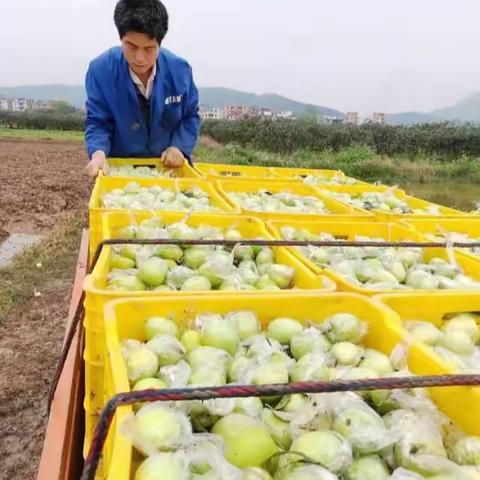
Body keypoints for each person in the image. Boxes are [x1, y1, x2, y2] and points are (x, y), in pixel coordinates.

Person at [85, 0, 200, 177]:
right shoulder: (101, 71)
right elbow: (98, 121)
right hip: (123, 171)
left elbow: (190, 115)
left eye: (149, 49)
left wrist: (179, 147)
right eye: (131, 46)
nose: (139, 58)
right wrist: (98, 152)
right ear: (120, 38)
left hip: (168, 170)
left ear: (159, 44)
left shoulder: (180, 71)